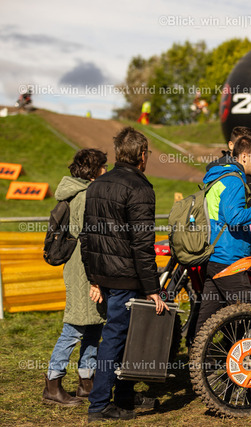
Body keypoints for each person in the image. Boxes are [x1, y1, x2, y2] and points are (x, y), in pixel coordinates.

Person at [82, 127, 168, 422]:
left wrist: (93, 277)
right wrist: (153, 288)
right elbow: (143, 244)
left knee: (128, 337)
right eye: (148, 153)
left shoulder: (97, 184)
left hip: (105, 275)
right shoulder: (140, 188)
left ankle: (125, 396)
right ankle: (99, 405)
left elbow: (87, 236)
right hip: (125, 277)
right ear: (142, 155)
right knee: (116, 339)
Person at [194, 136, 251, 333]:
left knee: (207, 320)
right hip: (229, 258)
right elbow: (234, 218)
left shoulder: (219, 176)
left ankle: (199, 352)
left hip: (214, 255)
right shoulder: (234, 180)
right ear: (244, 156)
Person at [43, 149, 108, 407]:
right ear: (93, 172)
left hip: (85, 267)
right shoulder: (84, 196)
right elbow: (89, 239)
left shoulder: (82, 193)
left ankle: (86, 382)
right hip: (84, 269)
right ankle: (53, 383)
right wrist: (95, 279)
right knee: (74, 328)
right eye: (103, 166)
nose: (106, 170)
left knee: (93, 325)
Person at [207, 126, 251, 207]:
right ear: (231, 145)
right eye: (240, 144)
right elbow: (234, 213)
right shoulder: (224, 173)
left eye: (249, 145)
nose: (244, 149)